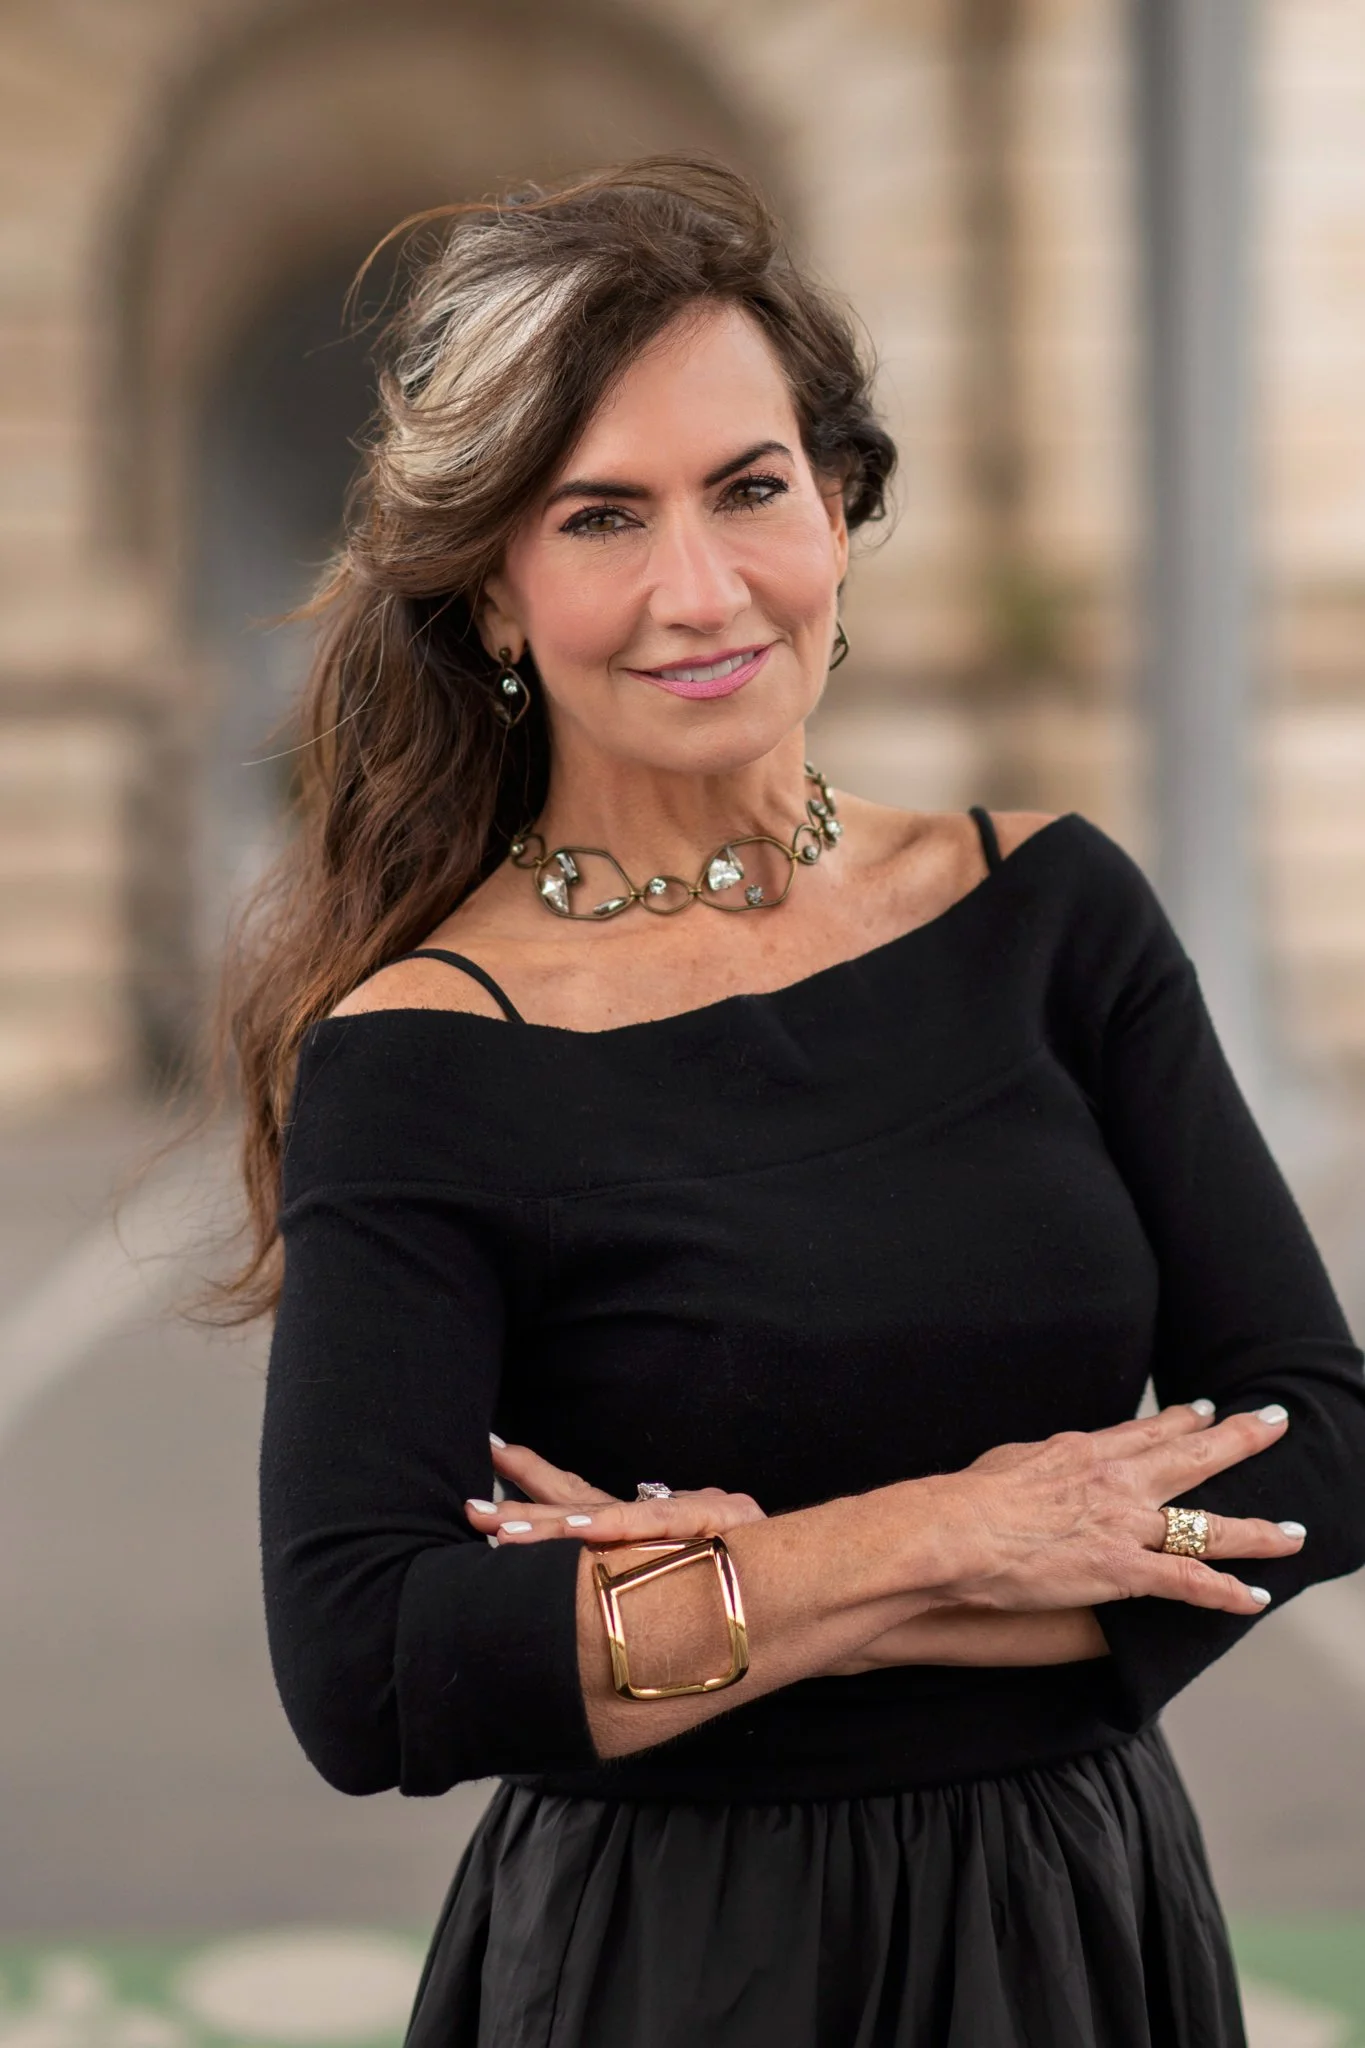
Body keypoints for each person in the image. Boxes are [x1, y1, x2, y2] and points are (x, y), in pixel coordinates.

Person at [232, 159, 1365, 2047]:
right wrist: (940, 1537)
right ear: (497, 596)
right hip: (679, 1962)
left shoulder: (1054, 914)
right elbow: (370, 1665)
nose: (701, 588)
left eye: (749, 488)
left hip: (1081, 1925)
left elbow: (1317, 1449)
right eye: (600, 517)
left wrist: (716, 1592)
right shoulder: (423, 1055)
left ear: (838, 510)